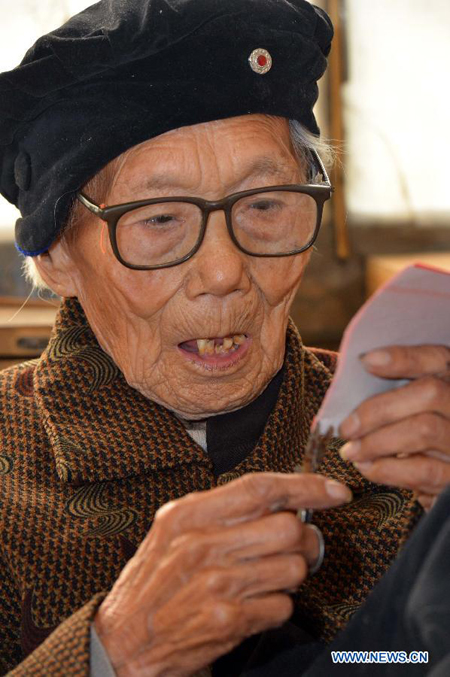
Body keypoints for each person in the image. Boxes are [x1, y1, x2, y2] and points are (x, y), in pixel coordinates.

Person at [0, 0, 449, 675]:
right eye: (158, 219)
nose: (224, 272)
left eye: (265, 205)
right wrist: (112, 653)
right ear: (56, 254)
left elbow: (398, 655)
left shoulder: (409, 432)